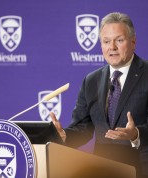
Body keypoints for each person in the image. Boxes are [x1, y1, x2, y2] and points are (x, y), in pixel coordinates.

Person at [50, 12, 148, 178]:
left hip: (140, 169)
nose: (112, 47)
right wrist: (65, 136)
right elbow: (83, 128)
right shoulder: (91, 80)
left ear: (133, 43)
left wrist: (136, 134)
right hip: (102, 170)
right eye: (106, 41)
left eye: (119, 40)